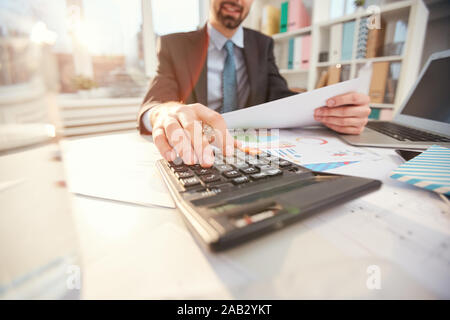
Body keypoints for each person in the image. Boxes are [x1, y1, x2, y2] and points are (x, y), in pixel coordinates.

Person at [138, 0, 371, 167]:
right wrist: (165, 114)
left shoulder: (263, 44)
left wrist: (330, 112)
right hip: (198, 154)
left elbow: (280, 96)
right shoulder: (174, 45)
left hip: (252, 153)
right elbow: (157, 100)